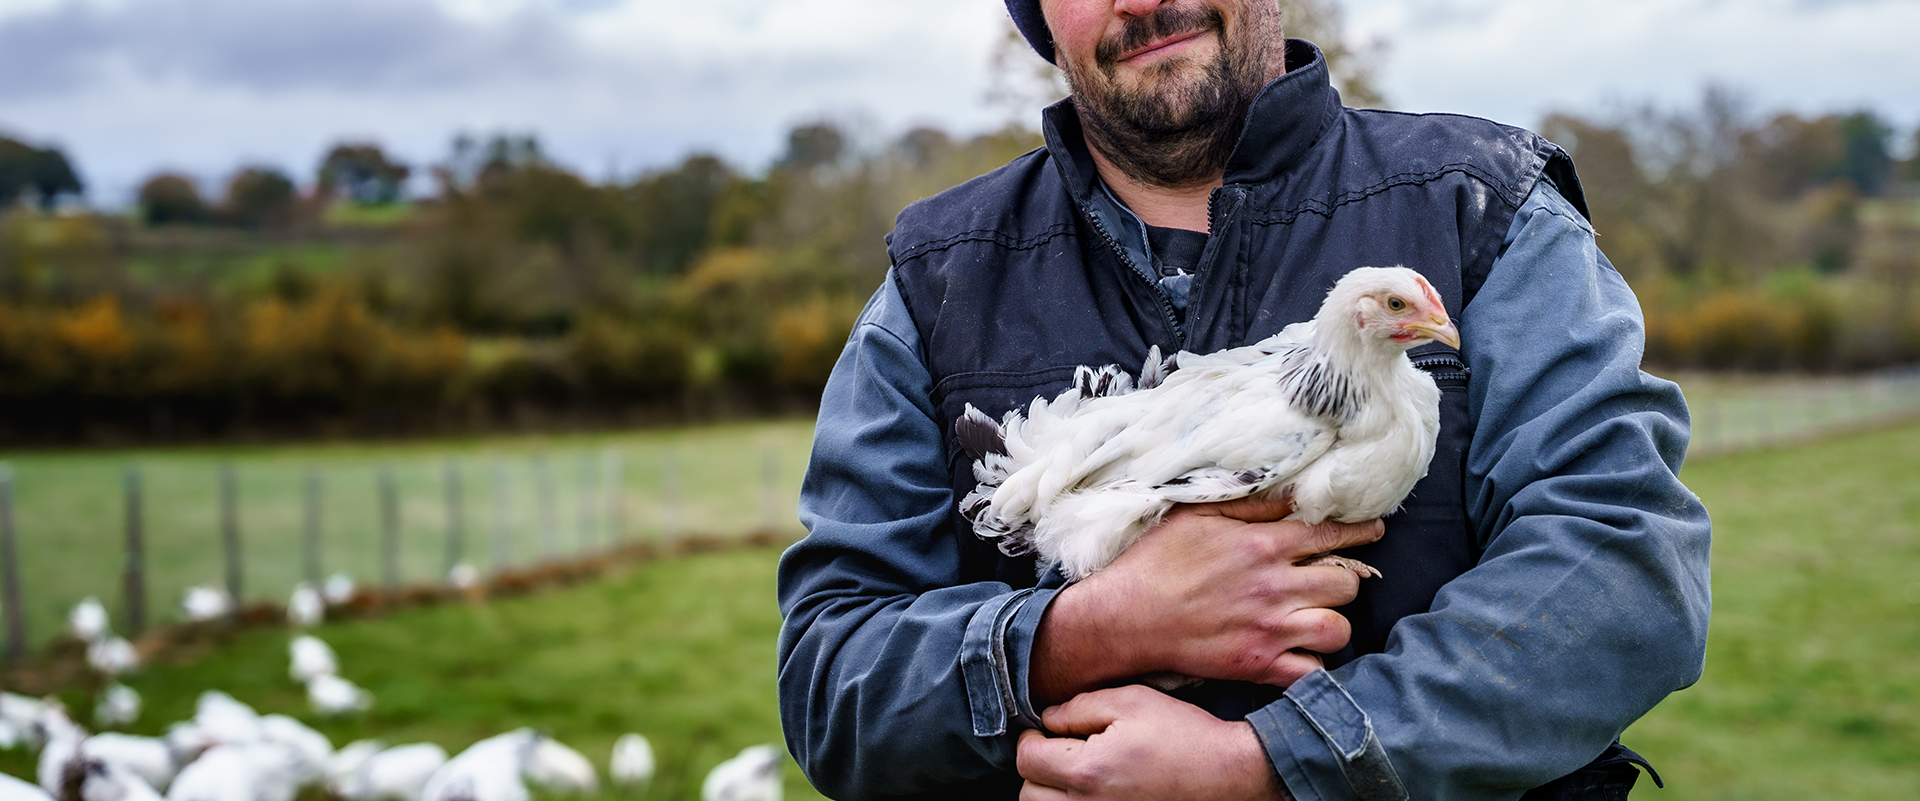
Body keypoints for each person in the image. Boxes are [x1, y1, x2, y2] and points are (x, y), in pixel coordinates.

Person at [777, 1, 1713, 799]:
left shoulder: (1484, 214)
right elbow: (830, 681)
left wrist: (1260, 762)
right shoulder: (935, 287)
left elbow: (1626, 571)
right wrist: (1090, 629)